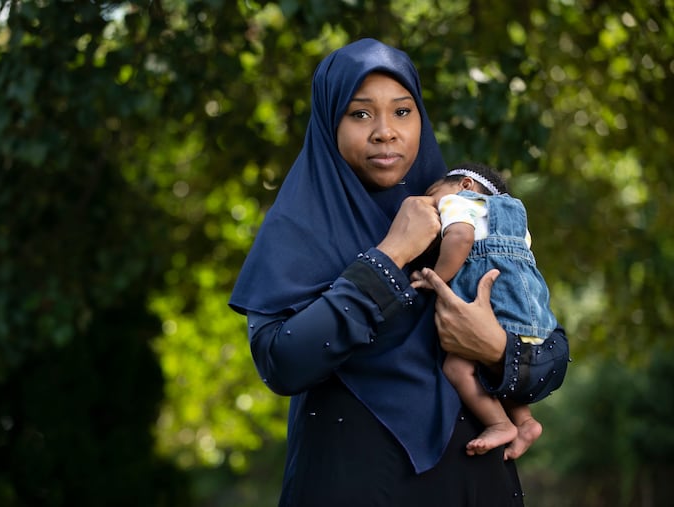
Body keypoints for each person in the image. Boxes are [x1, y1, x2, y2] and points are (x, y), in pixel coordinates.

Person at [229, 38, 569, 506]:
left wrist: (494, 348)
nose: (385, 132)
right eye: (360, 113)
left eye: (403, 112)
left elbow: (547, 344)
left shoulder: (463, 209)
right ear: (330, 124)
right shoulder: (299, 225)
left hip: (475, 482)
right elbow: (281, 361)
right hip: (351, 483)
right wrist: (389, 256)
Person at [414, 162, 555, 461]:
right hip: (533, 314)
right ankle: (526, 423)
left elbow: (461, 239)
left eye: (432, 195)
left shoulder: (458, 203)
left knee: (457, 367)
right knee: (498, 367)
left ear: (465, 185)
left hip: (495, 309)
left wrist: (435, 277)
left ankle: (499, 424)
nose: (432, 204)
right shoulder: (518, 220)